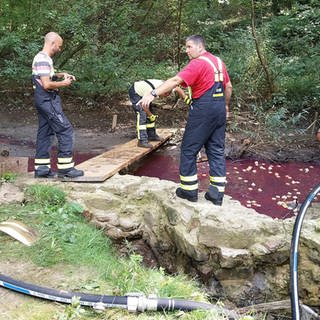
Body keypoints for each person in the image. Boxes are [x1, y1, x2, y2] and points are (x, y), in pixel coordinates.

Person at [139, 35, 232, 206]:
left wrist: (152, 94)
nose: (187, 50)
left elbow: (176, 80)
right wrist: (225, 107)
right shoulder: (218, 62)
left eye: (189, 47)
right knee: (216, 150)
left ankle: (189, 190)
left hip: (203, 109)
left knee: (189, 149)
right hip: (219, 109)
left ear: (199, 47)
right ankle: (216, 194)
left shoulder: (198, 63)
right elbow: (228, 86)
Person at [32, 32, 84, 178]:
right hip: (48, 101)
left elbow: (45, 77)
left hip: (43, 101)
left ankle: (41, 170)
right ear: (52, 43)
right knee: (65, 130)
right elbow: (47, 84)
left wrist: (61, 75)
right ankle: (66, 169)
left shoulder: (43, 58)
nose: (59, 49)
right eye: (59, 46)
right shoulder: (43, 59)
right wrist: (64, 83)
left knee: (45, 133)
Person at [129, 79, 185, 148]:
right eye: (165, 96)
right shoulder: (149, 91)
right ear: (164, 93)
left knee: (150, 113)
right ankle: (142, 140)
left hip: (146, 91)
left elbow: (177, 88)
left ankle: (152, 135)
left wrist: (186, 98)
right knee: (142, 114)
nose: (164, 98)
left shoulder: (167, 88)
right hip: (136, 91)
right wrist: (150, 115)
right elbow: (143, 106)